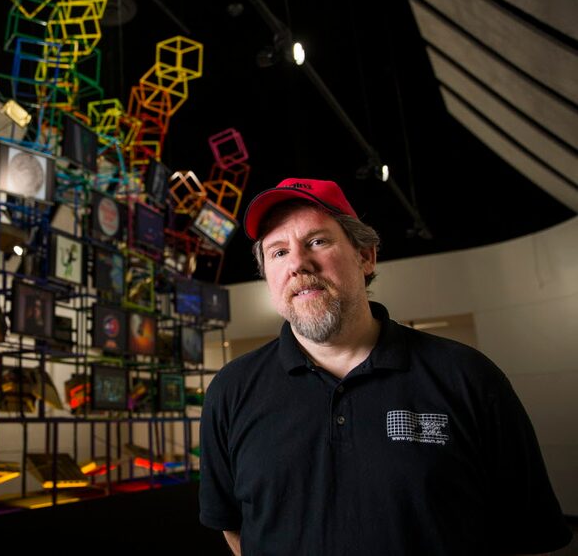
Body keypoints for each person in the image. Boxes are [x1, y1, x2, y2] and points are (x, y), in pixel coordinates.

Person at [199, 177, 572, 556]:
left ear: (366, 257)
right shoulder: (231, 389)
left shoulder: (468, 377)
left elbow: (528, 534)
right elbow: (232, 525)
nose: (297, 263)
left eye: (317, 241)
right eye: (277, 252)